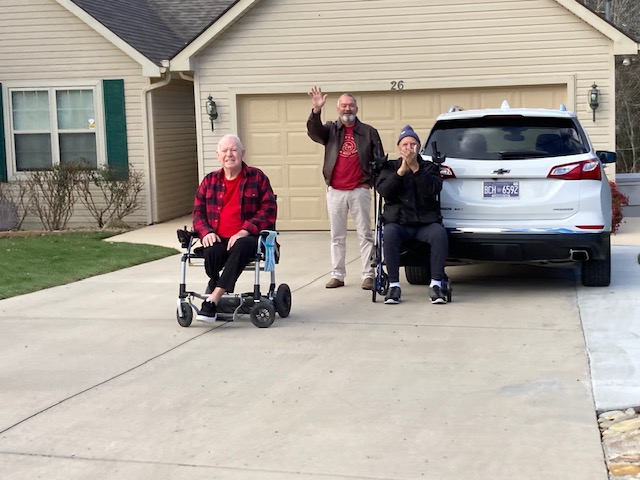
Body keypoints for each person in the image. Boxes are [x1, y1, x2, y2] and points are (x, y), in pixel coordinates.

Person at [306, 86, 384, 290]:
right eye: (343, 105)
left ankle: (368, 275)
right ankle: (337, 275)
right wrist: (316, 110)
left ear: (356, 108)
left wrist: (371, 182)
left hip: (359, 189)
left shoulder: (368, 132)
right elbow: (314, 132)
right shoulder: (330, 129)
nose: (347, 108)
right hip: (336, 191)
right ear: (338, 108)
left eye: (350, 105)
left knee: (365, 235)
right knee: (337, 236)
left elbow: (379, 161)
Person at [192, 134, 277, 322]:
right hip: (218, 237)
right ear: (218, 155)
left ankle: (213, 300)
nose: (229, 154)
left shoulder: (257, 177)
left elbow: (269, 209)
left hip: (249, 238)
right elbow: (198, 212)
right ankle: (220, 288)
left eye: (234, 150)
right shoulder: (209, 181)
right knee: (211, 251)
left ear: (242, 153)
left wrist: (244, 230)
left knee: (241, 245)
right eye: (224, 151)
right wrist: (206, 232)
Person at [375, 125, 449, 305]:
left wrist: (416, 168)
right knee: (389, 233)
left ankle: (436, 284)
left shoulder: (429, 167)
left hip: (424, 223)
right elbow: (384, 191)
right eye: (405, 144)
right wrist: (400, 172)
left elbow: (432, 189)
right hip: (398, 223)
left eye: (413, 144)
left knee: (439, 234)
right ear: (399, 148)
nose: (409, 148)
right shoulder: (389, 167)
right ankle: (394, 285)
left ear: (419, 147)